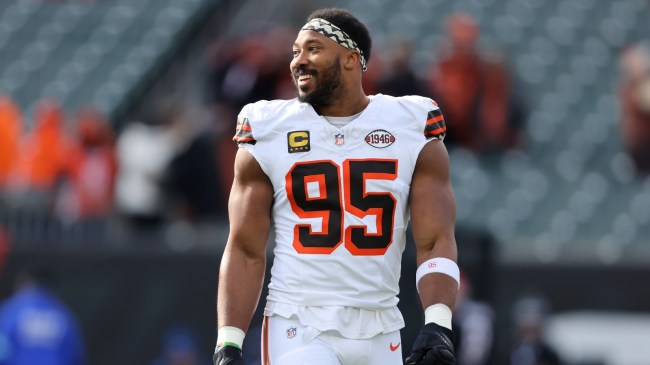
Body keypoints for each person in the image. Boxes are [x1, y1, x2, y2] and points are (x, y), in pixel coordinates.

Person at [214, 8, 459, 365]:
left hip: (382, 327)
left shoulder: (409, 124)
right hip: (298, 324)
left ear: (350, 58)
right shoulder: (268, 128)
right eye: (295, 51)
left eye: (312, 49)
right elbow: (245, 246)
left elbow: (435, 238)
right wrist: (228, 342)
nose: (298, 61)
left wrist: (438, 322)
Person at [0, 268, 86, 365]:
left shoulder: (11, 311)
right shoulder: (63, 314)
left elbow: (2, 352)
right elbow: (75, 357)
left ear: (24, 282)